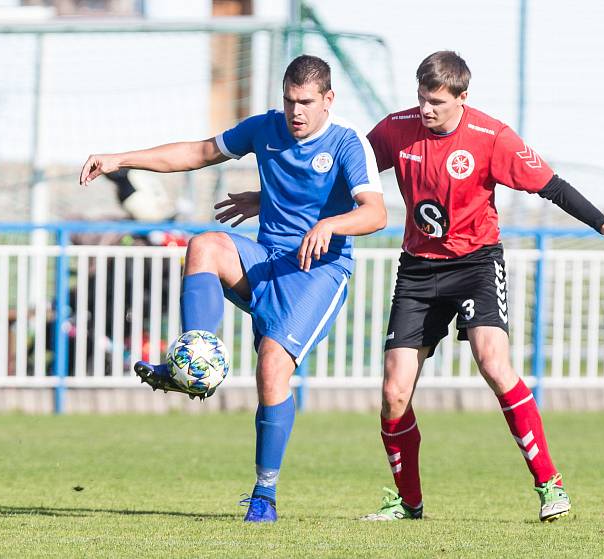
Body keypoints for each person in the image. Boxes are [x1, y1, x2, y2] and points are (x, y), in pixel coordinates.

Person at [79, 55, 387, 523]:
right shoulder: (266, 128)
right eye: (289, 101)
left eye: (306, 102)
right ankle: (192, 355)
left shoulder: (348, 143)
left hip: (319, 273)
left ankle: (264, 495)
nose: (296, 112)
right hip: (268, 260)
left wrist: (330, 224)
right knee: (204, 244)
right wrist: (121, 158)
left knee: (270, 371)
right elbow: (198, 153)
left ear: (328, 100)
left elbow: (375, 213)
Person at [361, 51, 604, 522]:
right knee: (394, 393)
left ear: (462, 97)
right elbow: (348, 173)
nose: (426, 109)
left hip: (476, 263)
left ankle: (550, 486)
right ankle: (408, 503)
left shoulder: (490, 137)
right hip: (417, 269)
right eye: (421, 99)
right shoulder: (396, 128)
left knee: (495, 365)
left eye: (435, 101)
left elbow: (552, 186)